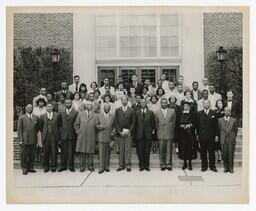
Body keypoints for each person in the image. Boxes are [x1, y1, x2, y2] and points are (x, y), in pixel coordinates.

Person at [74, 101, 98, 172]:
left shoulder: (95, 115)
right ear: (85, 106)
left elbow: (97, 125)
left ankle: (90, 166)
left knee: (90, 152)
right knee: (82, 151)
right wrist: (78, 132)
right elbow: (76, 124)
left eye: (90, 105)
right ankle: (82, 166)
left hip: (91, 136)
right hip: (82, 136)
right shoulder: (80, 114)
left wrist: (95, 134)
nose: (89, 106)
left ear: (92, 106)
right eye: (87, 105)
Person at [195, 99, 218, 172]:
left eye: (207, 103)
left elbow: (216, 126)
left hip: (211, 136)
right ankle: (204, 166)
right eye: (204, 103)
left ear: (209, 104)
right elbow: (197, 126)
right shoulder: (198, 114)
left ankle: (212, 166)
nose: (206, 105)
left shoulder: (214, 113)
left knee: (211, 152)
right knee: (203, 152)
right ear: (203, 105)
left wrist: (216, 135)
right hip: (202, 136)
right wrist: (197, 135)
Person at [114, 96, 135, 172]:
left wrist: (129, 131)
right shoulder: (117, 110)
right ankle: (121, 165)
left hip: (128, 133)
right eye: (122, 100)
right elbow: (116, 122)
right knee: (121, 150)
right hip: (120, 133)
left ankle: (128, 164)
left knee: (128, 150)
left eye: (125, 100)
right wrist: (119, 132)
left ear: (127, 100)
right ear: (121, 101)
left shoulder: (131, 110)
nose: (124, 101)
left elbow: (133, 122)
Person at [17, 104, 40, 175]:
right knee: (24, 155)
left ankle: (30, 167)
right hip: (25, 139)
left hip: (33, 138)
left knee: (32, 154)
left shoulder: (36, 117)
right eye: (28, 108)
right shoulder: (22, 117)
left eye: (31, 108)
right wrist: (20, 140)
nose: (30, 109)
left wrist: (33, 134)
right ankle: (24, 168)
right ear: (26, 109)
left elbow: (37, 128)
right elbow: (19, 130)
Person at [155, 98, 176, 171]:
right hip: (160, 133)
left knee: (169, 149)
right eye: (162, 103)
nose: (164, 104)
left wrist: (171, 130)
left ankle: (168, 164)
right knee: (161, 149)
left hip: (169, 132)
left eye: (165, 102)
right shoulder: (157, 112)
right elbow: (156, 123)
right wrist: (158, 131)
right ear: (160, 104)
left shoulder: (172, 111)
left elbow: (173, 123)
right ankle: (162, 163)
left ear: (167, 103)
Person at [134, 99, 155, 171]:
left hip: (148, 135)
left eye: (144, 102)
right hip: (139, 135)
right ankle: (141, 166)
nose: (143, 103)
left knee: (147, 151)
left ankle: (147, 166)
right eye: (141, 102)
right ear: (140, 104)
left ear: (146, 103)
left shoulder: (151, 113)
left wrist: (151, 132)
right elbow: (135, 124)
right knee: (140, 151)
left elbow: (153, 124)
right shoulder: (136, 113)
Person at [58, 99, 78, 172]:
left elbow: (76, 123)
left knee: (71, 152)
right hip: (63, 134)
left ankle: (71, 166)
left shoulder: (75, 112)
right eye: (66, 103)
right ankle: (63, 166)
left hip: (72, 134)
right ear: (64, 104)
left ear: (71, 104)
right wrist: (61, 132)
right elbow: (59, 123)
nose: (68, 104)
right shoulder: (61, 112)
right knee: (63, 152)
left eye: (69, 103)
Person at [39, 102, 59, 173]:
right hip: (46, 135)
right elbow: (41, 127)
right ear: (46, 108)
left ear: (53, 107)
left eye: (51, 107)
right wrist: (45, 132)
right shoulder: (42, 116)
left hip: (54, 135)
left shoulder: (57, 115)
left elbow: (59, 125)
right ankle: (46, 167)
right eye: (48, 107)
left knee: (54, 152)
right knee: (46, 152)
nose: (49, 108)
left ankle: (53, 166)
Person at [218, 107, 238, 173]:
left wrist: (232, 138)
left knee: (231, 154)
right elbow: (219, 130)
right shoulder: (219, 120)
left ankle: (231, 168)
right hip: (223, 140)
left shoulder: (234, 120)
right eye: (225, 111)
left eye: (228, 111)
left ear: (230, 112)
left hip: (231, 141)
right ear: (223, 112)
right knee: (224, 155)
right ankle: (226, 168)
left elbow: (236, 130)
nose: (227, 112)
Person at [96, 104, 114, 174]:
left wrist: (113, 132)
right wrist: (101, 126)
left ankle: (106, 167)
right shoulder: (99, 115)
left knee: (107, 153)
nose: (107, 109)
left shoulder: (112, 116)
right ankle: (101, 168)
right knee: (101, 153)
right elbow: (96, 125)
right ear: (103, 108)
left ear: (110, 108)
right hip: (101, 136)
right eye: (105, 107)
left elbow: (114, 125)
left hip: (109, 136)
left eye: (108, 107)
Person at [178, 102, 194, 170]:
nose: (186, 107)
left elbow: (194, 123)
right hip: (182, 134)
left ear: (189, 107)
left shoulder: (192, 114)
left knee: (189, 148)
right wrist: (181, 125)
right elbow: (177, 123)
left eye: (187, 106)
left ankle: (190, 163)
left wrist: (189, 125)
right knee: (183, 148)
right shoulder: (180, 114)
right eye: (184, 106)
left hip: (189, 134)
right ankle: (184, 163)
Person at [32, 98, 47, 162]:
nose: (41, 103)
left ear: (44, 103)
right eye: (40, 102)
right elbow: (33, 117)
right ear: (38, 103)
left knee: (41, 142)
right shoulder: (35, 109)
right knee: (36, 142)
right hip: (36, 127)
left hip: (43, 127)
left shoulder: (46, 109)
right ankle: (35, 156)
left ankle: (39, 156)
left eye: (42, 102)